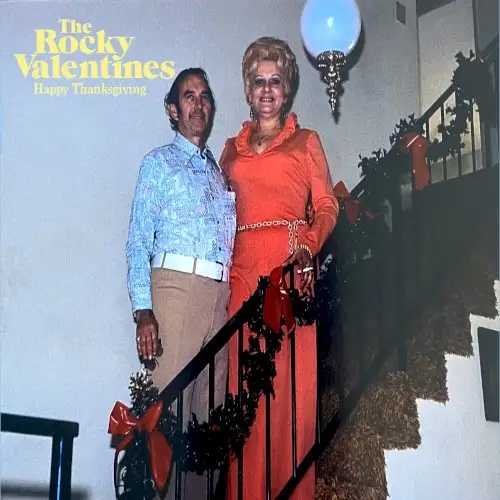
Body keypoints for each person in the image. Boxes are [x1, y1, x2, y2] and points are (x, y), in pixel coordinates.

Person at [219, 37, 339, 499]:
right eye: (258, 81)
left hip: (289, 275)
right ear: (248, 91)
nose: (266, 89)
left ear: (286, 90)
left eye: (275, 81)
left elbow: (326, 206)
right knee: (245, 399)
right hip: (243, 278)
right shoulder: (229, 151)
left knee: (290, 397)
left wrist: (308, 245)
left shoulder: (306, 142)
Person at [125, 67, 236, 498]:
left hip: (219, 298)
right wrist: (144, 310)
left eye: (205, 96)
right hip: (175, 291)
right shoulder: (158, 163)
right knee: (164, 421)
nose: (199, 104)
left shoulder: (217, 172)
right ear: (172, 110)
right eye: (189, 96)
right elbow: (138, 240)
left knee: (207, 423)